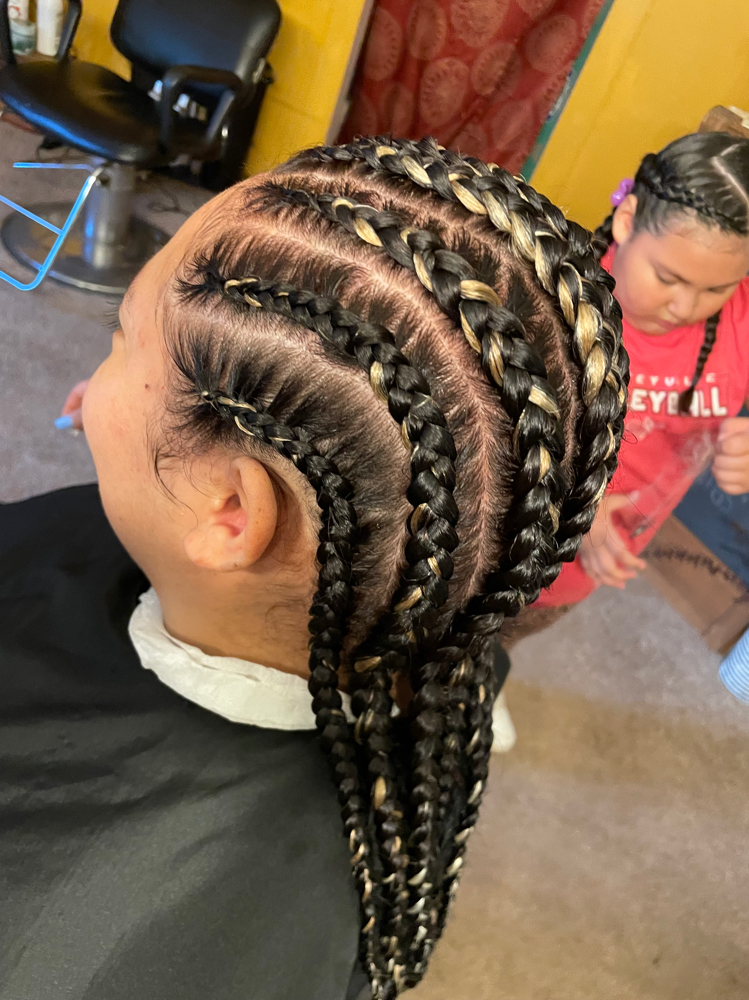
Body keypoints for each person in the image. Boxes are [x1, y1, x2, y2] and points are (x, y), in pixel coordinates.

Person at [0, 136, 627, 1000]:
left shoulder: (64, 948)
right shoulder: (434, 637)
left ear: (230, 512)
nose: (96, 378)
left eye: (118, 336)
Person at [501, 131, 749, 638]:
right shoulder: (549, 310)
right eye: (668, 277)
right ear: (628, 219)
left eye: (715, 289)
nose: (685, 307)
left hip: (576, 580)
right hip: (501, 552)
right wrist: (572, 508)